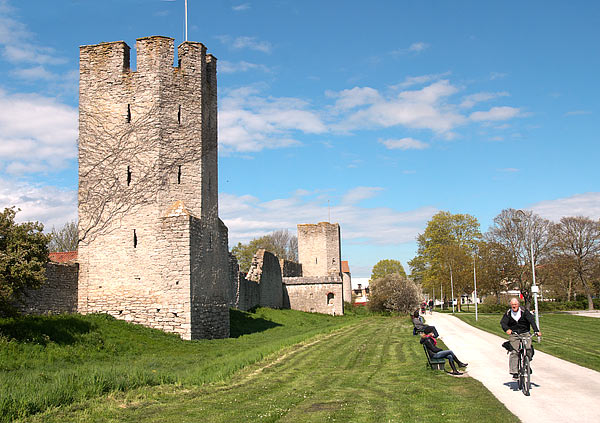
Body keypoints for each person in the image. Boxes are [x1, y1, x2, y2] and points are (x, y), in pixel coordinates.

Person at [500, 298, 541, 380]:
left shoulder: (524, 312)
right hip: (514, 334)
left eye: (515, 304)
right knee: (514, 352)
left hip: (525, 333)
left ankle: (527, 363)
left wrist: (536, 331)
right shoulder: (508, 313)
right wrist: (507, 329)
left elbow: (531, 321)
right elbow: (503, 323)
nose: (514, 306)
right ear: (510, 305)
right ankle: (514, 372)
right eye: (512, 304)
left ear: (518, 304)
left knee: (528, 348)